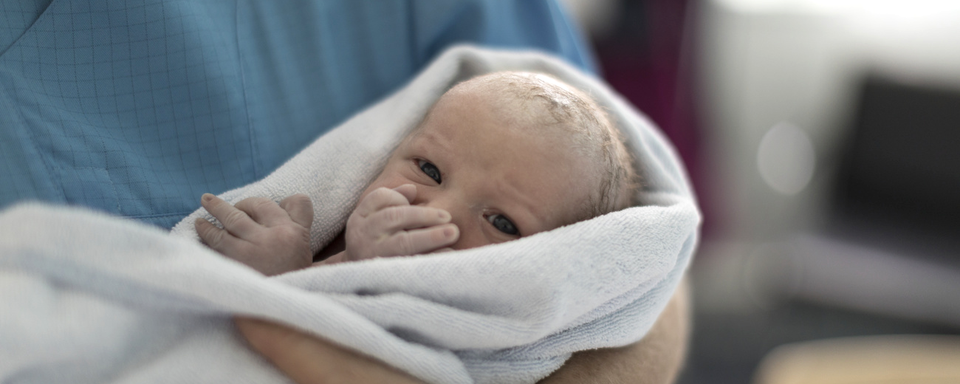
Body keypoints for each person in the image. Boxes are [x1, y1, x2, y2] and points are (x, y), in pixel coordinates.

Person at [194, 71, 637, 277]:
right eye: (429, 170)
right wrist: (296, 265)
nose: (438, 215)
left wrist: (286, 281)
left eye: (501, 223)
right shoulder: (341, 243)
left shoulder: (493, 320)